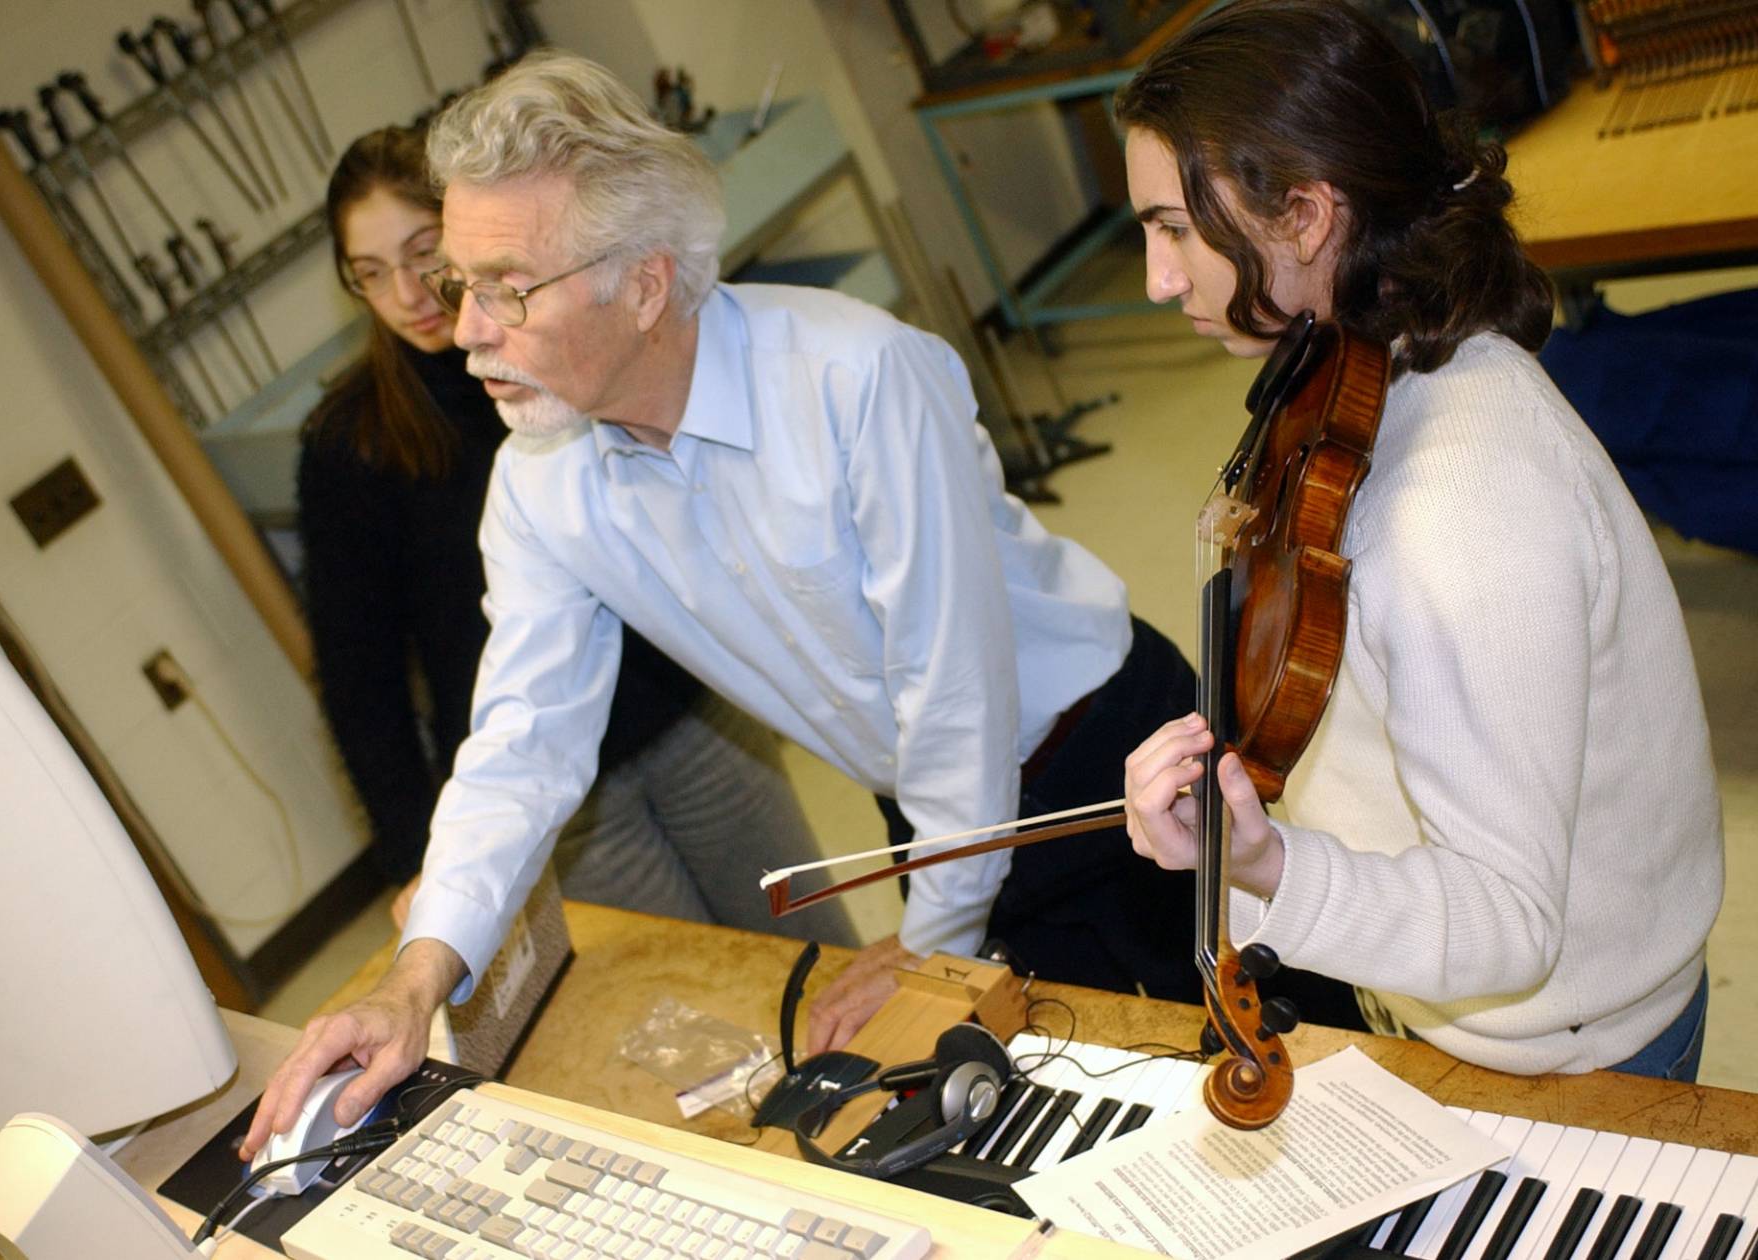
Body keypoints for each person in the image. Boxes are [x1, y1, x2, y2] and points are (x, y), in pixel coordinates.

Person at [242, 50, 1211, 1159]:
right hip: (938, 816)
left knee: (1272, 1072)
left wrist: (931, 947)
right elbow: (520, 740)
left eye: (505, 287)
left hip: (1109, 764)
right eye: (462, 286)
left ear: (644, 282)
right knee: (1087, 1140)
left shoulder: (855, 379)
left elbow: (953, 690)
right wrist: (417, 984)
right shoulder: (541, 480)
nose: (463, 330)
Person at [1116, 0, 1722, 1079]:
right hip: (1447, 995)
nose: (1158, 279)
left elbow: (1505, 920)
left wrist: (1266, 866)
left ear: (1305, 216)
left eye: (1172, 228)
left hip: (1561, 1051)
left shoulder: (1459, 508)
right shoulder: (1388, 367)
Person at [298, 125, 847, 939]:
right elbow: (361, 683)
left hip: (693, 711)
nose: (408, 294)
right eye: (370, 275)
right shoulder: (352, 446)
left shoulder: (565, 349)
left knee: (817, 949)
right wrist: (426, 858)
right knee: (707, 1014)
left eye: (422, 253)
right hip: (563, 782)